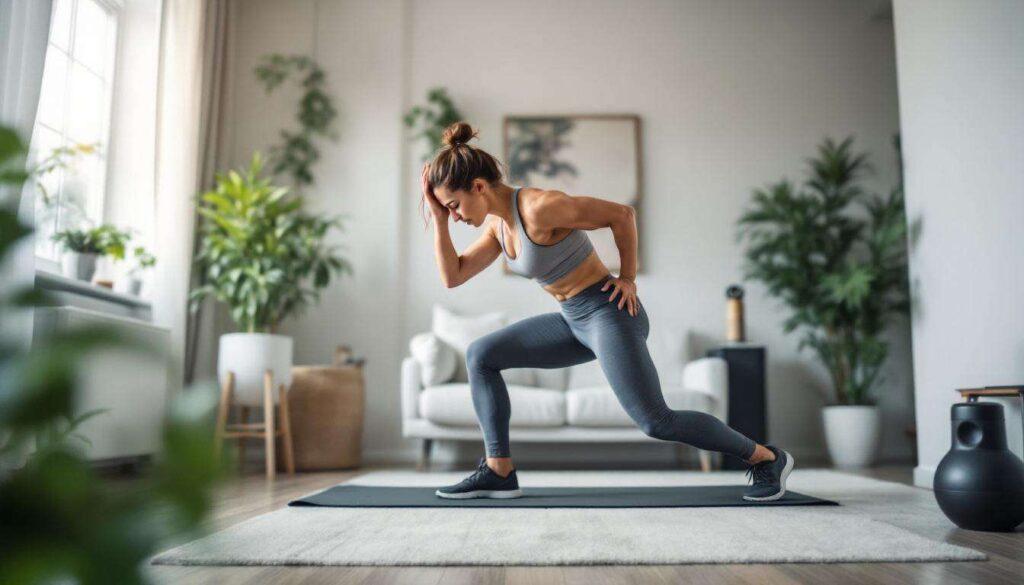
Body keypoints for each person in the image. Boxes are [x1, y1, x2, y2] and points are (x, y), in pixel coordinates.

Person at [421, 121, 793, 502]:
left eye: (453, 206)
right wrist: (438, 219)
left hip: (608, 312)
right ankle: (499, 470)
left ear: (478, 187)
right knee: (481, 355)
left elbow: (622, 215)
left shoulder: (540, 207)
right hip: (572, 320)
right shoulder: (498, 228)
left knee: (656, 421)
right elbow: (453, 276)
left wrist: (627, 278)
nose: (455, 216)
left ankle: (767, 458)